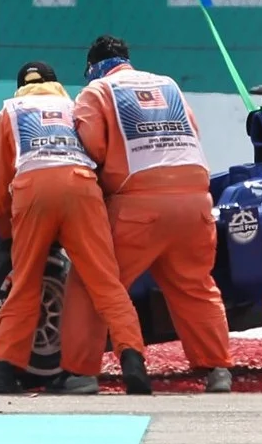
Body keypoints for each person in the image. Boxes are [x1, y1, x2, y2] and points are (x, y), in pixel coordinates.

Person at [61, 36, 234, 394]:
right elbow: (193, 133)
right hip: (195, 203)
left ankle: (80, 373)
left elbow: (91, 144)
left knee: (95, 284)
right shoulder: (168, 85)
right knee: (195, 285)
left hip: (138, 206)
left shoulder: (97, 91)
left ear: (93, 66)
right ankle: (217, 369)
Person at [0, 60, 150, 395]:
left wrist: (6, 234)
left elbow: (0, 179)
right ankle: (133, 360)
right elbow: (99, 152)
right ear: (55, 83)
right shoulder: (75, 107)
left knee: (26, 281)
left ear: (20, 87)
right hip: (81, 186)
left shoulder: (10, 111)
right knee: (106, 282)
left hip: (33, 188)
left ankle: (5, 371)